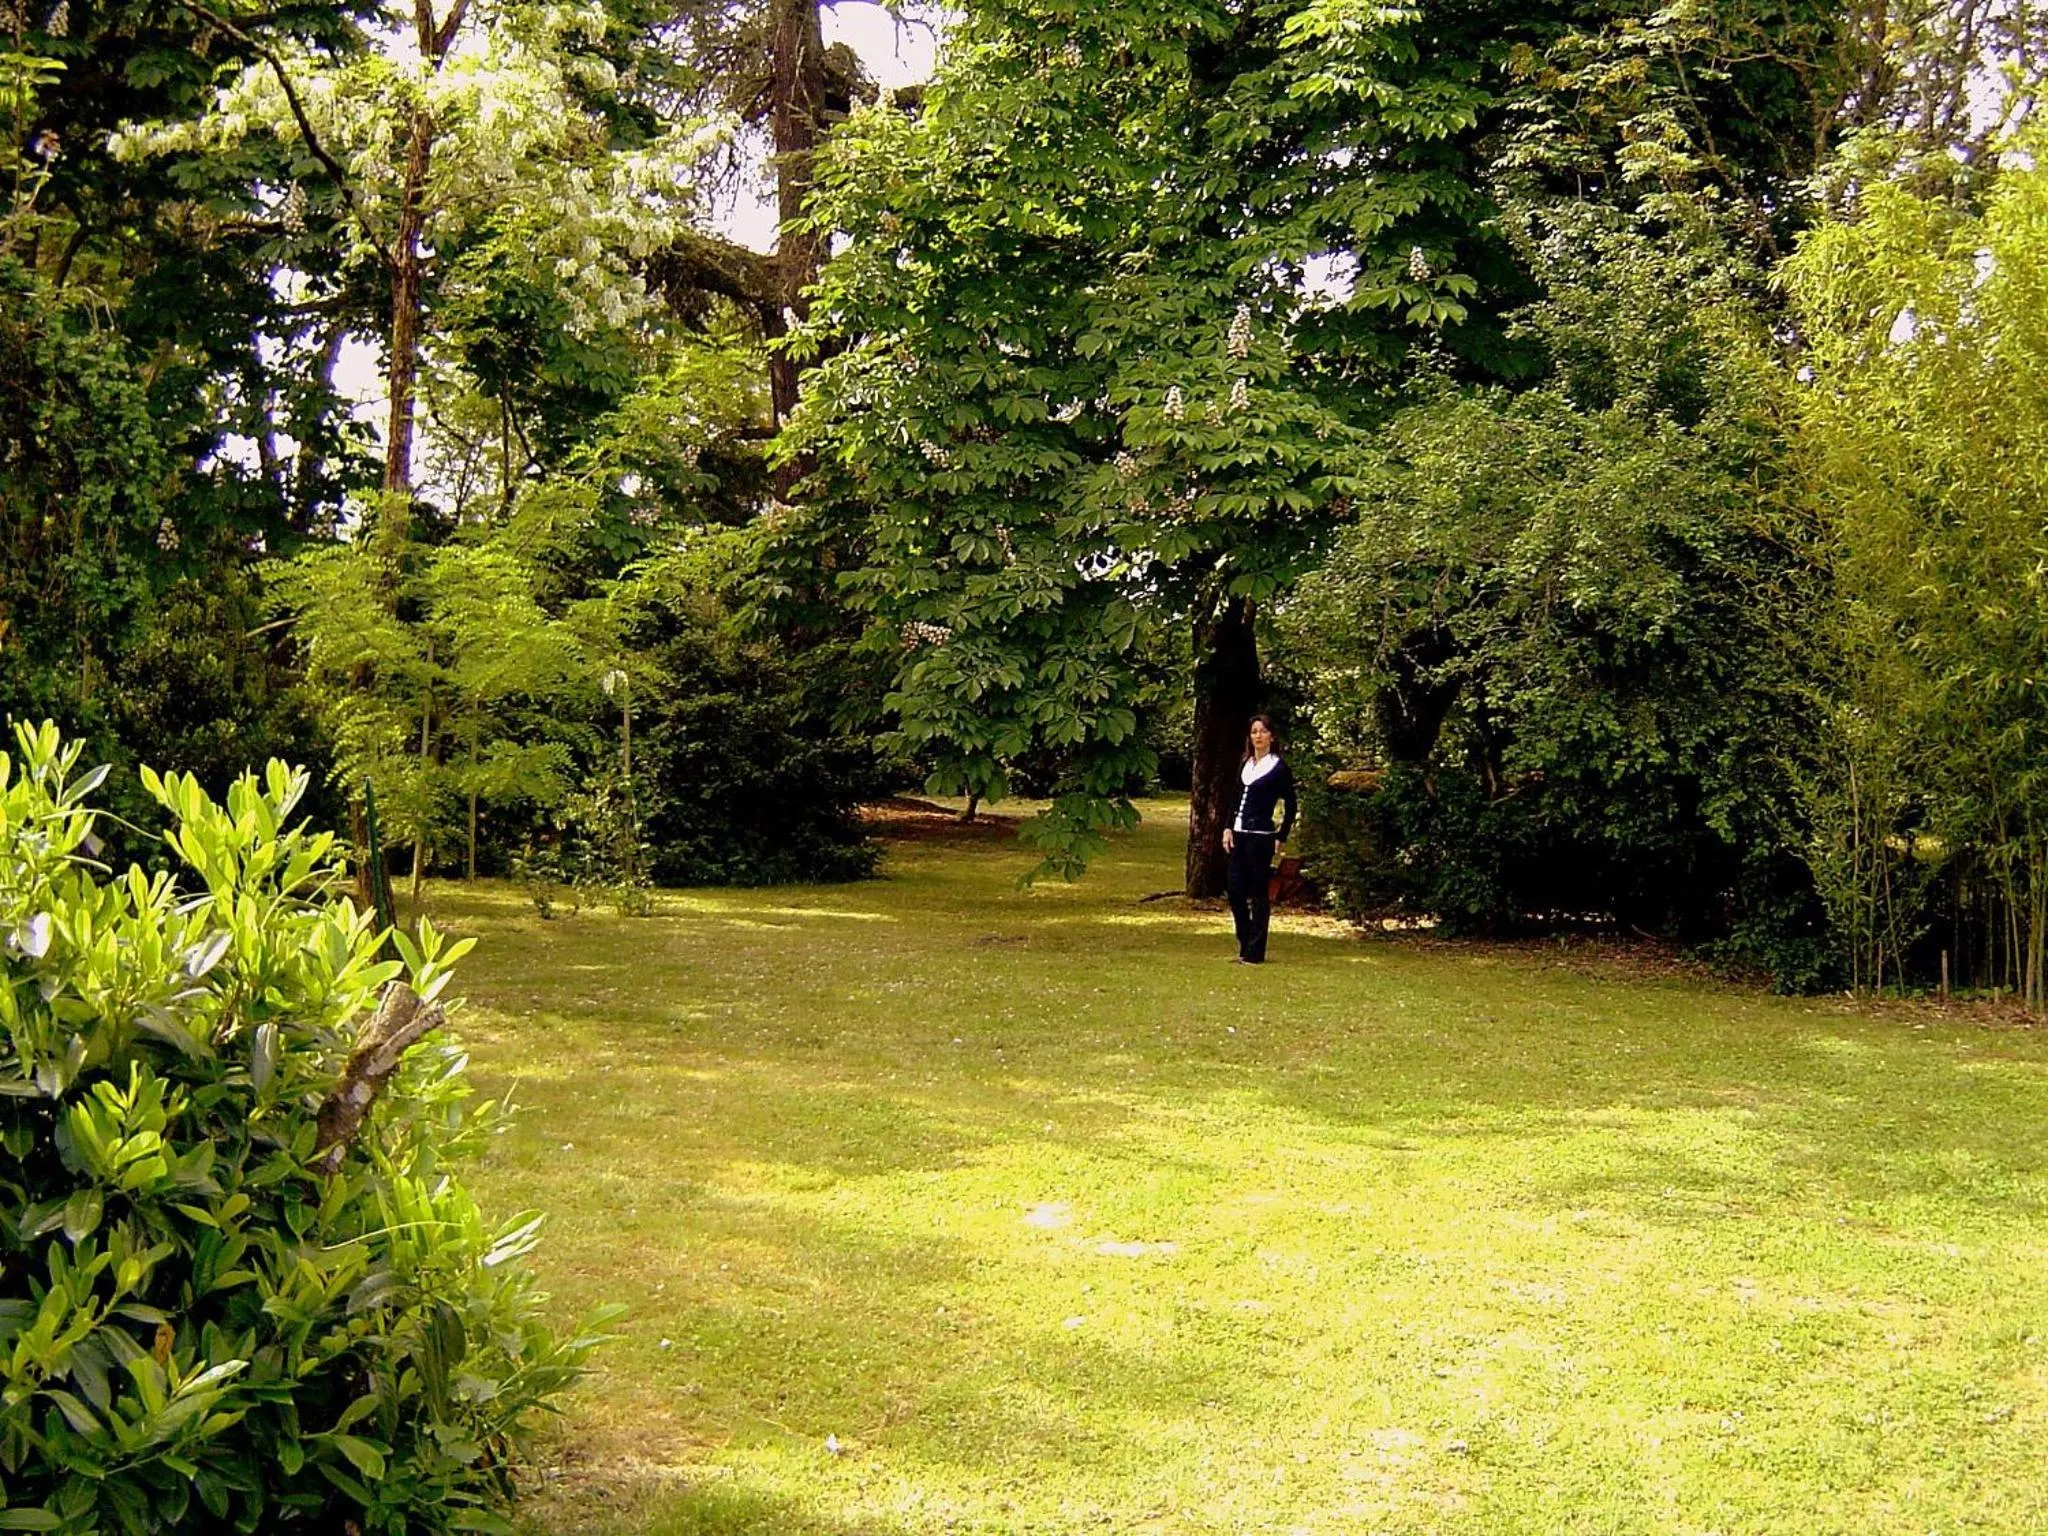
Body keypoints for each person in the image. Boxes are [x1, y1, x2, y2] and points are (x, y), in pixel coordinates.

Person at [1222, 713, 1296, 964]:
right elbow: (1234, 799)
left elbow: (1291, 804)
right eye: (1254, 731)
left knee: (1257, 892)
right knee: (1234, 890)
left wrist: (1281, 835)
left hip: (1261, 836)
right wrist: (1227, 828)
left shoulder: (1278, 768)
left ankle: (1255, 952)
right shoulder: (1246, 763)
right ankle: (1245, 942)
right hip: (1239, 834)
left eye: (1263, 731)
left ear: (1271, 736)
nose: (1258, 736)